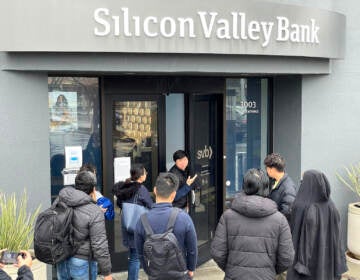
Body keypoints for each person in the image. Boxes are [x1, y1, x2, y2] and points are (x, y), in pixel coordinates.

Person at [210, 168, 294, 280]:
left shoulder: (228, 216)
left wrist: (232, 269)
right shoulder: (279, 220)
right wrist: (270, 270)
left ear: (244, 186)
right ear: (266, 187)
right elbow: (287, 257)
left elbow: (217, 253)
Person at [135, 172, 198, 279]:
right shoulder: (183, 218)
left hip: (155, 275)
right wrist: (191, 269)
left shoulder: (142, 220)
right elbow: (192, 250)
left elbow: (140, 253)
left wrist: (149, 271)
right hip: (180, 275)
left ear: (155, 190)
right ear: (174, 194)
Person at [286, 170, 347, 280]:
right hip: (327, 260)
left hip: (303, 266)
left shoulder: (300, 206)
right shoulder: (331, 205)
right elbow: (338, 237)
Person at [56, 171, 112, 280]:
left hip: (61, 258)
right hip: (81, 261)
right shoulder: (95, 211)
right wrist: (107, 273)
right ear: (93, 189)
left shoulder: (61, 200)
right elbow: (99, 245)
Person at [112, 163, 153, 280]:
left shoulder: (126, 186)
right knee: (136, 257)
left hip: (127, 223)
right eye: (145, 172)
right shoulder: (141, 189)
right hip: (137, 225)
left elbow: (120, 203)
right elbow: (150, 205)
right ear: (140, 176)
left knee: (133, 254)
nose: (146, 174)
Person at [264, 153, 297, 221]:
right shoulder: (275, 181)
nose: (266, 170)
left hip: (278, 228)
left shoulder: (288, 188)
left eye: (266, 168)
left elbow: (287, 213)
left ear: (272, 169)